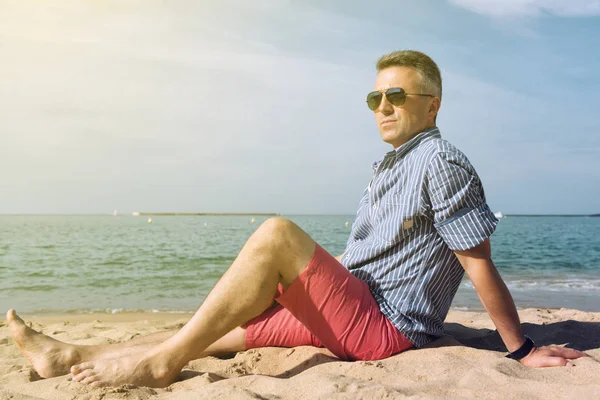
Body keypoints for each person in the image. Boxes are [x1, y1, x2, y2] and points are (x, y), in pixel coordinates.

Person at [7, 50, 587, 388]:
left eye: (397, 97)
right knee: (213, 333)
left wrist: (520, 350)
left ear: (431, 105)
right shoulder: (391, 165)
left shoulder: (443, 161)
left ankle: (160, 363)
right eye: (375, 98)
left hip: (383, 328)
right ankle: (69, 357)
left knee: (277, 233)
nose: (382, 107)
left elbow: (477, 263)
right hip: (354, 307)